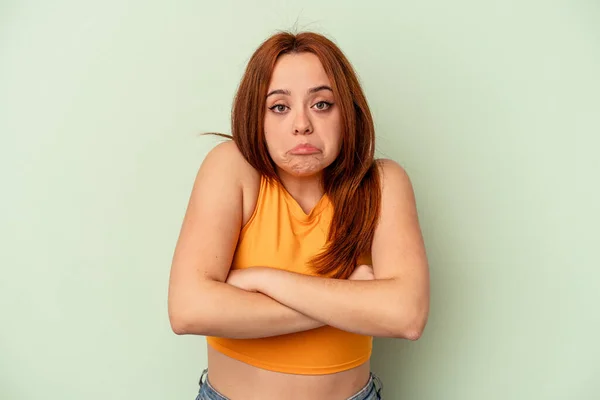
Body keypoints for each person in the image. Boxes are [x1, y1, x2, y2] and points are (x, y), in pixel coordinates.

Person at [167, 31, 430, 400]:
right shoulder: (232, 168)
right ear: (255, 117)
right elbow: (188, 310)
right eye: (279, 107)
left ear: (348, 112)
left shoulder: (383, 183)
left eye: (322, 104)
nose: (301, 124)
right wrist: (354, 299)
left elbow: (406, 316)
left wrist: (263, 279)